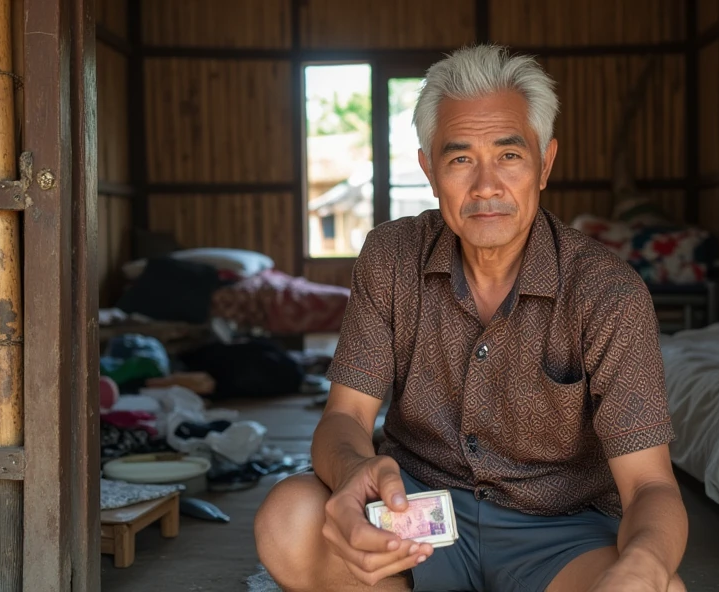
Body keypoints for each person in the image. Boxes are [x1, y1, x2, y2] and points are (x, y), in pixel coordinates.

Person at [254, 44, 688, 592]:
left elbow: (650, 485)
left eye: (509, 156)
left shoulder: (607, 291)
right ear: (430, 171)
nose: (486, 187)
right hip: (417, 519)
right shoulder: (391, 257)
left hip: (560, 534)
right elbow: (344, 419)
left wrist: (643, 565)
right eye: (460, 158)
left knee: (659, 589)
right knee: (288, 516)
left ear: (545, 164)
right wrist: (352, 474)